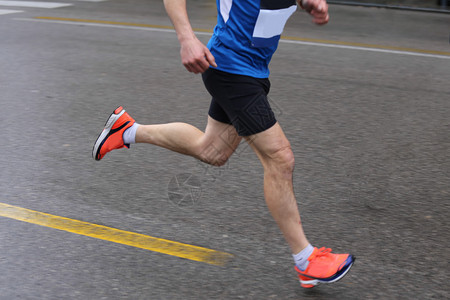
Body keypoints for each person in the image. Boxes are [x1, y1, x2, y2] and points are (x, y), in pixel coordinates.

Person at [92, 0, 354, 288]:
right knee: (280, 158)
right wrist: (187, 39)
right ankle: (306, 259)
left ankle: (126, 130)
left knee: (213, 151)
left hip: (253, 70)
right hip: (231, 69)